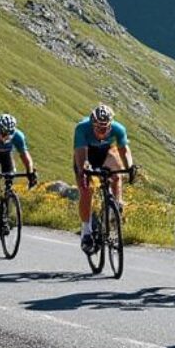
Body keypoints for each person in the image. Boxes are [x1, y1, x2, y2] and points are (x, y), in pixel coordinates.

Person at [74, 103, 134, 253]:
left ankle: (116, 204)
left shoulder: (118, 129)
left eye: (105, 128)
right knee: (86, 190)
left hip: (105, 154)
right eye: (99, 128)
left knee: (116, 172)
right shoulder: (82, 128)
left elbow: (124, 150)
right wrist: (83, 171)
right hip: (87, 154)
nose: (102, 131)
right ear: (92, 124)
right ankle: (86, 231)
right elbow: (81, 154)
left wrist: (130, 168)